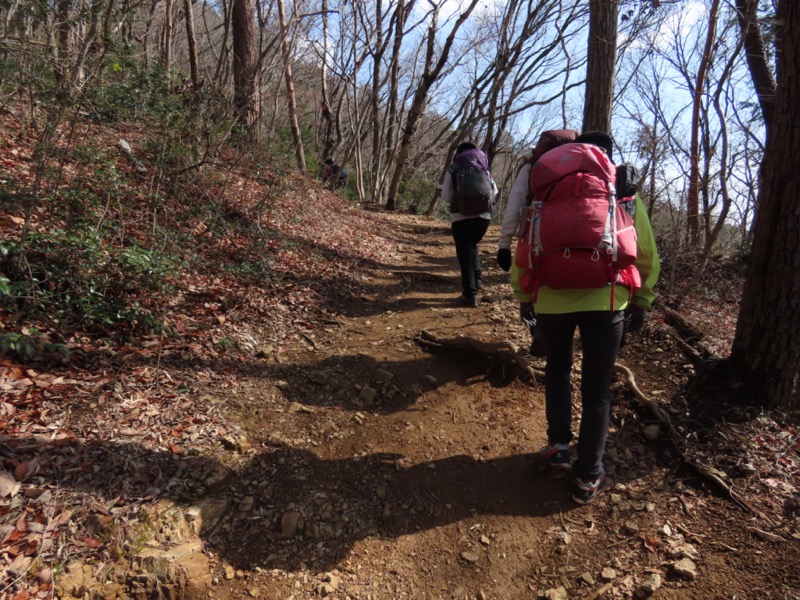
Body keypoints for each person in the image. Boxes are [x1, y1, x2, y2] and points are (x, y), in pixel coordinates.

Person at [515, 131, 660, 504]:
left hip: (550, 299)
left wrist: (525, 297)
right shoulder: (622, 194)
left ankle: (559, 444)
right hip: (607, 300)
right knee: (597, 390)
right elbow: (645, 254)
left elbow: (525, 247)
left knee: (558, 370)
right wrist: (641, 301)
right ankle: (587, 476)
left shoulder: (545, 192)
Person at [440, 142, 498, 307]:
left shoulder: (454, 167)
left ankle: (470, 294)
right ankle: (477, 279)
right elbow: (494, 191)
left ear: (458, 153)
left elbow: (446, 196)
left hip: (460, 217)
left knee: (465, 254)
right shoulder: (483, 168)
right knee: (472, 246)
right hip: (483, 218)